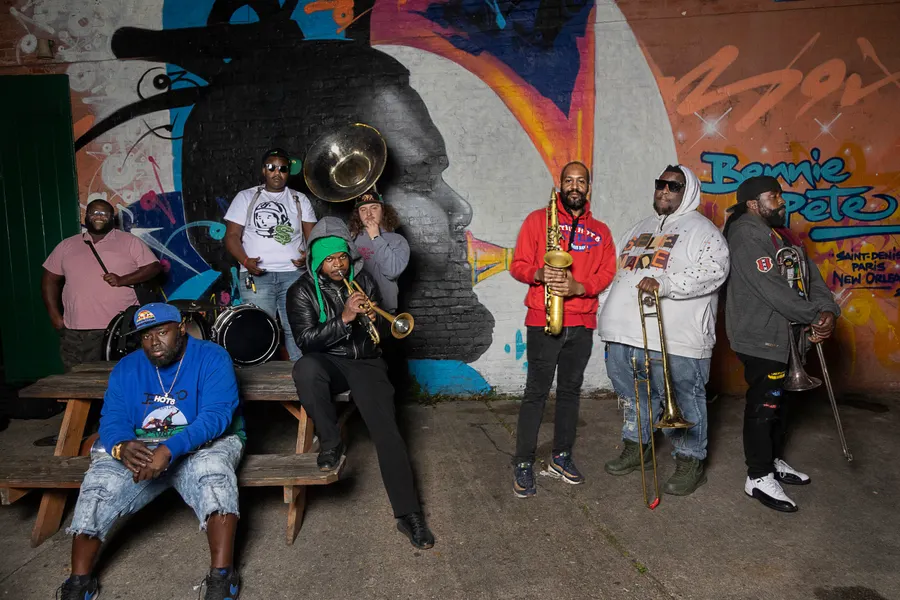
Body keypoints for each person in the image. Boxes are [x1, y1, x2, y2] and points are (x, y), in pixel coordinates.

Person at [57, 303, 246, 600]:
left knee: (213, 473)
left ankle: (223, 575)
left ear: (181, 328)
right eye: (146, 336)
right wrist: (121, 445)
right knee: (100, 483)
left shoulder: (212, 357)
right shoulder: (126, 368)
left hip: (204, 442)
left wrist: (170, 449)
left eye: (162, 332)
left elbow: (216, 416)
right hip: (144, 445)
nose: (154, 342)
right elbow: (113, 418)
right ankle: (79, 581)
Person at [286, 217, 434, 549]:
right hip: (328, 359)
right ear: (317, 261)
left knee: (388, 434)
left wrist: (374, 321)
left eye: (341, 257)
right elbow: (306, 341)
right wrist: (345, 318)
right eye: (329, 259)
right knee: (305, 369)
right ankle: (330, 442)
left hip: (366, 361)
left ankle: (409, 514)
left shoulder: (364, 280)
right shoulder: (301, 291)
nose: (337, 265)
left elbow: (382, 337)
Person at [599, 165, 730, 496]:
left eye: (674, 186)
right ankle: (637, 446)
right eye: (661, 184)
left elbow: (715, 271)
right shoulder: (638, 228)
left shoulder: (704, 231)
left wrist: (666, 283)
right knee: (634, 398)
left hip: (677, 339)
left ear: (689, 191)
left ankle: (690, 461)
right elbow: (616, 273)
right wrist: (603, 312)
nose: (665, 190)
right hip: (623, 334)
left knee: (685, 399)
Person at [723, 175, 840, 512]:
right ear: (752, 203)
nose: (781, 201)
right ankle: (758, 476)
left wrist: (828, 311)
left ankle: (772, 460)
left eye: (779, 195)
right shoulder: (746, 234)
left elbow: (811, 278)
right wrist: (813, 316)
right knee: (765, 405)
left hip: (789, 335)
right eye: (773, 196)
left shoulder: (782, 235)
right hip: (761, 337)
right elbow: (771, 289)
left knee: (782, 403)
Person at [508, 161, 616, 498]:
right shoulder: (536, 221)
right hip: (543, 320)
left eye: (580, 181)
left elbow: (607, 273)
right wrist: (539, 274)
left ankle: (561, 456)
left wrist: (579, 287)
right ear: (560, 184)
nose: (574, 186)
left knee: (570, 392)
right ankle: (523, 462)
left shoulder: (601, 231)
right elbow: (517, 265)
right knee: (536, 393)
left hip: (581, 323)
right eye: (569, 180)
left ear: (588, 187)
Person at [42, 199, 161, 371]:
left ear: (112, 217)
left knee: (112, 377)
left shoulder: (129, 241)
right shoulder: (67, 245)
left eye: (105, 213)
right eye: (95, 212)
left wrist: (123, 280)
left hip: (115, 328)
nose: (99, 216)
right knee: (74, 378)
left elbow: (154, 267)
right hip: (73, 329)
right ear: (86, 216)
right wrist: (54, 315)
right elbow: (49, 279)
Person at [224, 147, 318, 361]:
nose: (277, 172)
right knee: (258, 330)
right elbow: (231, 236)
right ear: (263, 170)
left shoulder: (299, 199)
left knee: (296, 328)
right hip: (256, 277)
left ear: (288, 172)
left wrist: (308, 256)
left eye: (283, 169)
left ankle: (301, 374)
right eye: (271, 167)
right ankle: (261, 377)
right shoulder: (246, 197)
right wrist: (245, 260)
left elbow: (313, 238)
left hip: (294, 276)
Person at [348, 190, 410, 314]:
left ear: (383, 211)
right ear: (358, 215)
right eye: (363, 210)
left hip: (385, 309)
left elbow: (392, 272)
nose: (368, 214)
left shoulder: (398, 240)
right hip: (357, 308)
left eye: (374, 208)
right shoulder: (352, 239)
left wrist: (375, 237)